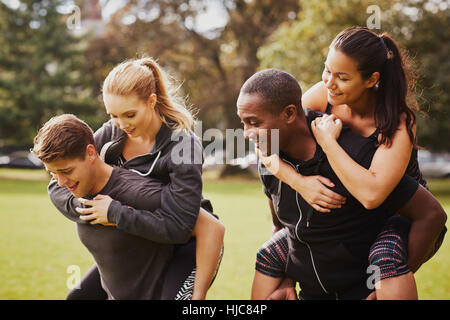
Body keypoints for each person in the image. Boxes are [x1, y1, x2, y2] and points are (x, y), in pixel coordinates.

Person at [254, 27, 447, 299]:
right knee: (269, 253)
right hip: (354, 215)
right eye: (327, 70)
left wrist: (329, 143)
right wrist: (301, 183)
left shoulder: (396, 125)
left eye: (342, 77)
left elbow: (372, 195)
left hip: (401, 216)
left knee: (385, 259)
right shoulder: (324, 95)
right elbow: (271, 140)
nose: (330, 82)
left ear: (371, 80)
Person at [47, 57, 222, 300]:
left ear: (151, 101)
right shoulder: (110, 133)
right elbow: (59, 186)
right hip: (141, 242)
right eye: (113, 115)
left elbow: (180, 227)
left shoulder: (183, 146)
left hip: (187, 246)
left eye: (129, 114)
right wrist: (85, 207)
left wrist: (115, 214)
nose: (121, 124)